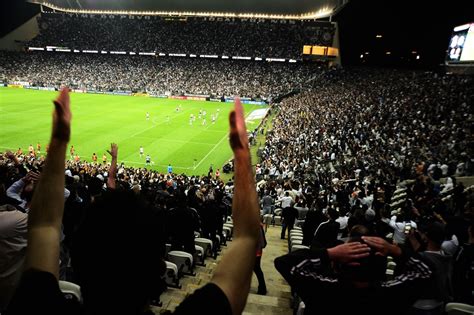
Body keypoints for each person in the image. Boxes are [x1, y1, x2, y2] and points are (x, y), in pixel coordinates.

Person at [6, 92, 261, 315]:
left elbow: (45, 226)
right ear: (158, 267)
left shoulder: (39, 306)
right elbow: (246, 240)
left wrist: (58, 143)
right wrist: (241, 155)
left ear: (78, 258)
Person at [275, 225, 434, 315]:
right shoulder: (391, 295)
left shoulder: (323, 289)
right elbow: (426, 270)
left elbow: (284, 262)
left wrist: (330, 253)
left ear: (340, 264)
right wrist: (395, 249)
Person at [254, 223, 267, 295]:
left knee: (257, 270)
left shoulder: (257, 227)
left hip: (255, 253)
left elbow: (262, 243)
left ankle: (262, 288)